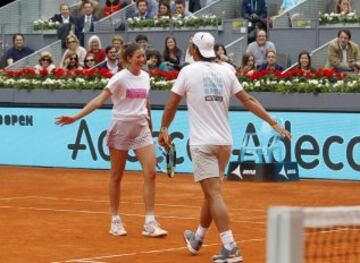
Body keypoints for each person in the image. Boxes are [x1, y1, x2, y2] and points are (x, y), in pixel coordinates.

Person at [158, 32, 291, 263]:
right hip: (224, 144)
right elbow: (249, 100)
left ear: (195, 50)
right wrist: (274, 124)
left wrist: (164, 129)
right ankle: (198, 237)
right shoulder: (227, 71)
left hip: (202, 144)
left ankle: (230, 246)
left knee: (213, 193)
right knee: (212, 193)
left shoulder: (187, 71)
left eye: (191, 46)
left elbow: (171, 105)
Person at [55, 42, 168, 238]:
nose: (143, 60)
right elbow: (99, 100)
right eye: (139, 56)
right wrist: (76, 117)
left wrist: (151, 125)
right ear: (129, 58)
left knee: (151, 173)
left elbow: (146, 102)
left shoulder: (146, 77)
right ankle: (115, 220)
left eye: (144, 56)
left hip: (141, 127)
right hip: (121, 127)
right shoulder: (119, 79)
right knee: (117, 175)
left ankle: (150, 222)